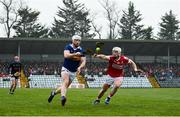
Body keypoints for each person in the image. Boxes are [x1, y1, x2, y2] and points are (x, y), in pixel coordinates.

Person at [48, 35, 86, 106]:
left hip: (74, 71)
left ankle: (54, 93)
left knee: (65, 86)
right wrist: (75, 54)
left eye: (79, 40)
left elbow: (83, 61)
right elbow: (66, 55)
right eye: (76, 40)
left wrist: (80, 67)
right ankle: (63, 97)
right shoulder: (68, 47)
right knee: (65, 82)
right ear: (72, 40)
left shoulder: (81, 50)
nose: (77, 42)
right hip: (66, 68)